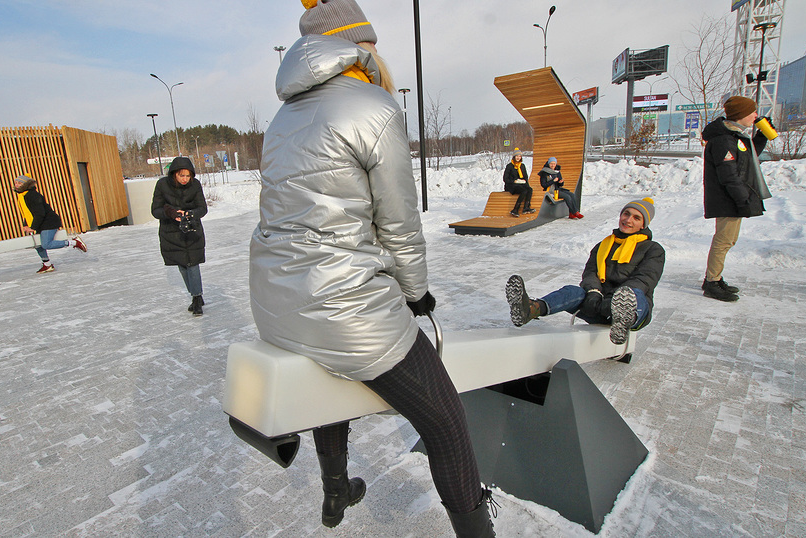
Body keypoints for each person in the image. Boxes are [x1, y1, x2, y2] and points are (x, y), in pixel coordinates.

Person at [249, 1, 494, 536]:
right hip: (342, 305)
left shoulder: (281, 119)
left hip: (275, 304)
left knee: (328, 375)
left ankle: (336, 489)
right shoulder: (374, 107)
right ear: (356, 46)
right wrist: (416, 294)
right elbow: (399, 223)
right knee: (445, 419)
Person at [505, 197, 664, 345]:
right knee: (572, 291)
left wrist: (614, 299)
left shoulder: (653, 249)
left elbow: (644, 279)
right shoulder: (603, 246)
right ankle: (530, 310)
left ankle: (622, 321)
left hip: (634, 308)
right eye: (626, 214)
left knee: (633, 294)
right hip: (598, 304)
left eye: (636, 218)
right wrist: (594, 292)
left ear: (643, 225)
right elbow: (590, 273)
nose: (628, 220)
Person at [701, 95, 771, 302]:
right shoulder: (724, 140)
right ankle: (712, 282)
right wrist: (743, 200)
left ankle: (714, 278)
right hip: (727, 199)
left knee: (727, 240)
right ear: (741, 115)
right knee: (723, 241)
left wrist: (761, 138)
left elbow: (746, 157)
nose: (755, 115)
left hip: (732, 197)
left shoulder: (733, 136)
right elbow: (729, 175)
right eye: (752, 112)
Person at [151, 156, 208, 316]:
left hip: (192, 230)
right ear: (174, 174)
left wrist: (189, 214)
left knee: (193, 263)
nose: (185, 179)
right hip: (171, 233)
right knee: (182, 265)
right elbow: (155, 210)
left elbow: (202, 208)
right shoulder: (162, 185)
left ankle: (196, 298)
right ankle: (196, 294)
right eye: (181, 175)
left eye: (188, 176)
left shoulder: (195, 185)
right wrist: (171, 213)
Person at [12, 174, 87, 274]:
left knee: (46, 244)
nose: (17, 185)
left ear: (25, 184)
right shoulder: (22, 196)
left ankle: (74, 242)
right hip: (40, 223)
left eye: (19, 183)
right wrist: (26, 224)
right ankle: (47, 265)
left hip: (49, 222)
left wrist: (33, 227)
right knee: (38, 245)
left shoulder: (32, 195)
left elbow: (40, 213)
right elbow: (27, 212)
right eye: (16, 183)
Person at [503, 148, 534, 217]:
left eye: (519, 156)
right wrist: (514, 181)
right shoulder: (510, 166)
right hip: (511, 185)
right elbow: (505, 179)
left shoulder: (522, 166)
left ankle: (526, 207)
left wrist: (527, 185)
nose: (518, 158)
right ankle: (515, 209)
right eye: (517, 156)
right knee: (524, 191)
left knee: (529, 189)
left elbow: (525, 177)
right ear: (514, 157)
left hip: (521, 184)